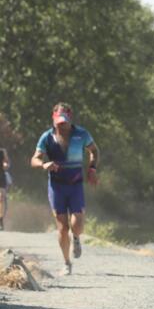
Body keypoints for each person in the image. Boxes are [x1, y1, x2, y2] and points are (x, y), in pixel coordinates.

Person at [31, 102, 99, 274]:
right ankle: (67, 263)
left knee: (77, 223)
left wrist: (92, 168)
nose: (62, 125)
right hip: (56, 186)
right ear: (54, 120)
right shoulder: (47, 137)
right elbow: (34, 159)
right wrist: (43, 164)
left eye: (65, 122)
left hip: (76, 184)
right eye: (59, 122)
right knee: (62, 227)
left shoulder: (82, 134)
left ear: (70, 118)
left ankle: (76, 238)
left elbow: (94, 150)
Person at [0, 146, 10, 230]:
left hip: (1, 178)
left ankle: (1, 220)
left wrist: (5, 164)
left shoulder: (2, 151)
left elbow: (6, 163)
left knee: (1, 198)